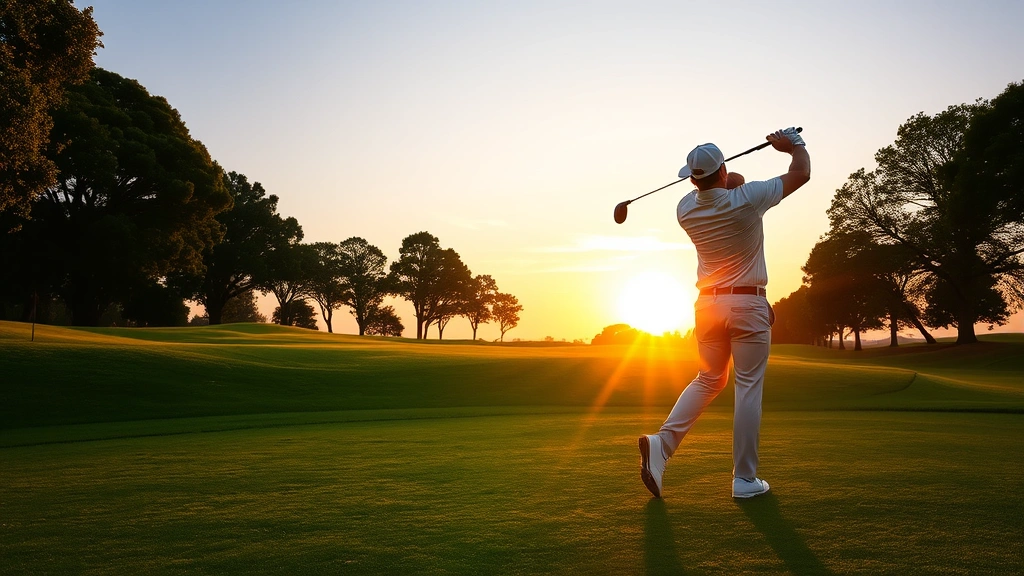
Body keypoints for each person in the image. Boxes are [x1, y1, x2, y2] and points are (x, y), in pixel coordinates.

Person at [638, 128, 810, 499]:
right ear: (722, 170)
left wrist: (719, 174)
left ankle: (662, 445)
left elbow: (728, 181)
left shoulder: (684, 208)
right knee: (747, 387)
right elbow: (801, 173)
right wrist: (794, 145)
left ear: (692, 178)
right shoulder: (748, 199)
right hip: (747, 303)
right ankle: (744, 479)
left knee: (709, 378)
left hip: (707, 306)